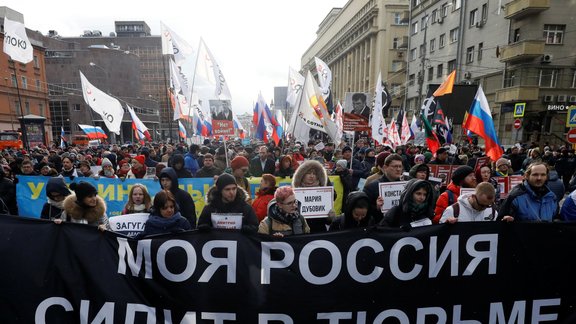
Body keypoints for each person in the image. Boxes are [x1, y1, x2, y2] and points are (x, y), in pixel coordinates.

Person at [292, 159, 336, 233]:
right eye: (308, 173)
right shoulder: (295, 193)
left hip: (319, 233)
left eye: (314, 174)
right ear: (302, 175)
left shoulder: (324, 193)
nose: (312, 176)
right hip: (300, 233)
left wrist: (330, 217)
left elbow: (327, 222)